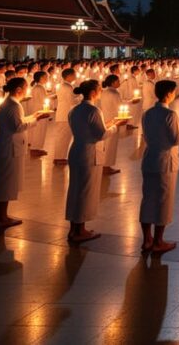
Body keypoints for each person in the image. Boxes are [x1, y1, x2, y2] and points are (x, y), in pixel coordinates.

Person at [140, 80, 179, 254]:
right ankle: (158, 240)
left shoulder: (147, 113)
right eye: (173, 92)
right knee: (163, 201)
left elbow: (151, 134)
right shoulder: (170, 114)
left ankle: (146, 239)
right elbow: (176, 140)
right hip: (165, 161)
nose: (174, 95)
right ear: (168, 93)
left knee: (148, 199)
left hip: (150, 158)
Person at [66, 79, 127, 243]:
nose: (101, 92)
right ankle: (80, 230)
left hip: (76, 149)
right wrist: (117, 125)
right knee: (85, 191)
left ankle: (75, 227)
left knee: (76, 190)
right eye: (99, 90)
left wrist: (110, 123)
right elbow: (101, 135)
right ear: (93, 93)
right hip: (89, 153)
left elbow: (89, 129)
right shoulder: (93, 110)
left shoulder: (74, 110)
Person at [0, 78, 44, 230]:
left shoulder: (9, 103)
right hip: (9, 148)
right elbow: (18, 126)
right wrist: (37, 119)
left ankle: (0, 216)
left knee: (2, 183)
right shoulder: (13, 105)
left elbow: (16, 122)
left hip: (6, 147)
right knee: (4, 184)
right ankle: (0, 218)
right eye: (25, 88)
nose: (27, 91)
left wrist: (33, 116)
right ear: (19, 90)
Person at [52, 68, 78, 164]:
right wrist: (82, 97)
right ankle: (59, 158)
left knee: (63, 136)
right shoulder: (67, 87)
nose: (75, 76)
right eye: (74, 74)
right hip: (65, 114)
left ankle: (60, 156)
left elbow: (70, 98)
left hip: (63, 113)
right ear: (69, 76)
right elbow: (71, 101)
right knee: (63, 137)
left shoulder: (64, 86)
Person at [99, 74, 123, 175]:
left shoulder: (104, 92)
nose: (119, 83)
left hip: (105, 117)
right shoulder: (115, 93)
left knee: (106, 144)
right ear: (113, 83)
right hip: (114, 119)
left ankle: (104, 164)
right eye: (118, 81)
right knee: (111, 144)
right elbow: (119, 107)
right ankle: (106, 166)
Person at [27, 71, 50, 156]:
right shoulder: (39, 88)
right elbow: (43, 100)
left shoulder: (38, 87)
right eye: (45, 77)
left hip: (37, 108)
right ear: (40, 78)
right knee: (39, 130)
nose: (47, 79)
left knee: (38, 129)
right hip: (40, 109)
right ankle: (35, 148)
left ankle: (36, 147)